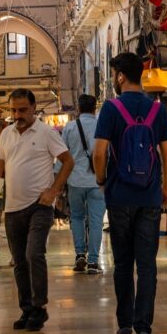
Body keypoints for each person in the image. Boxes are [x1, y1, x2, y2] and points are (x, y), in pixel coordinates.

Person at [93, 53, 167, 334]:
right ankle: (144, 329)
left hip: (119, 195)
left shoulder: (111, 109)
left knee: (123, 262)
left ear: (120, 77)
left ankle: (124, 324)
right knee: (147, 263)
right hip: (149, 196)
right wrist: (164, 189)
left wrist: (101, 179)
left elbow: (100, 152)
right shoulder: (157, 110)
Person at [0, 88, 74, 331]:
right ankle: (27, 309)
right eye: (13, 110)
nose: (17, 114)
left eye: (22, 110)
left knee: (34, 254)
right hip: (12, 208)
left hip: (39, 206)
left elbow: (68, 161)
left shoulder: (45, 133)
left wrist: (53, 191)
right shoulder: (7, 134)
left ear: (33, 108)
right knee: (20, 262)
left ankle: (39, 307)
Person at [62, 94, 105, 274]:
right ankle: (94, 262)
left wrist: (58, 184)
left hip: (75, 181)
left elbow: (62, 157)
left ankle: (80, 253)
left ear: (78, 108)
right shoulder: (101, 126)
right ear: (95, 108)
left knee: (77, 218)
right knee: (96, 222)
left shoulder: (70, 128)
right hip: (98, 181)